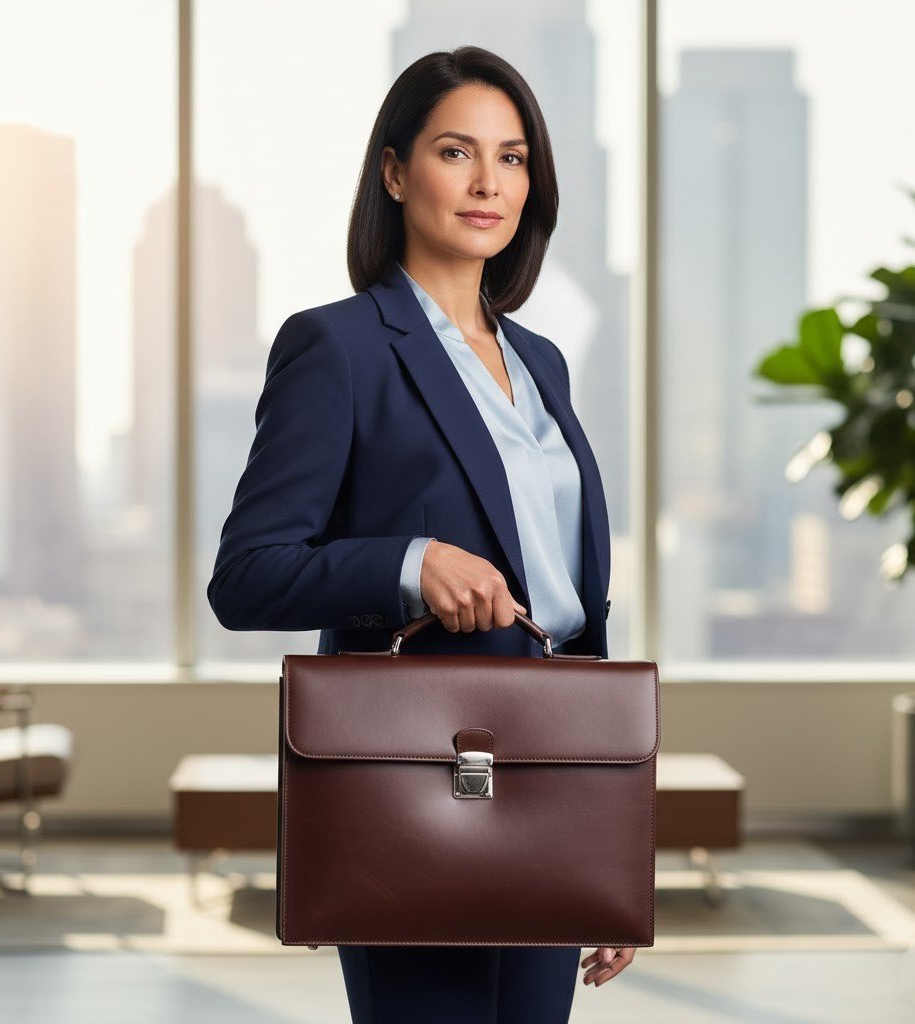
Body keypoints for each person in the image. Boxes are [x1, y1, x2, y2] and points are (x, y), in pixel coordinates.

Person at [207, 44, 635, 1024]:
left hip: (554, 769)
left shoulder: (544, 364)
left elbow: (573, 606)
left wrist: (609, 831)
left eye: (514, 156)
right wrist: (411, 563)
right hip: (416, 775)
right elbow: (247, 576)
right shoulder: (340, 346)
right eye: (457, 151)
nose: (490, 182)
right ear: (395, 172)